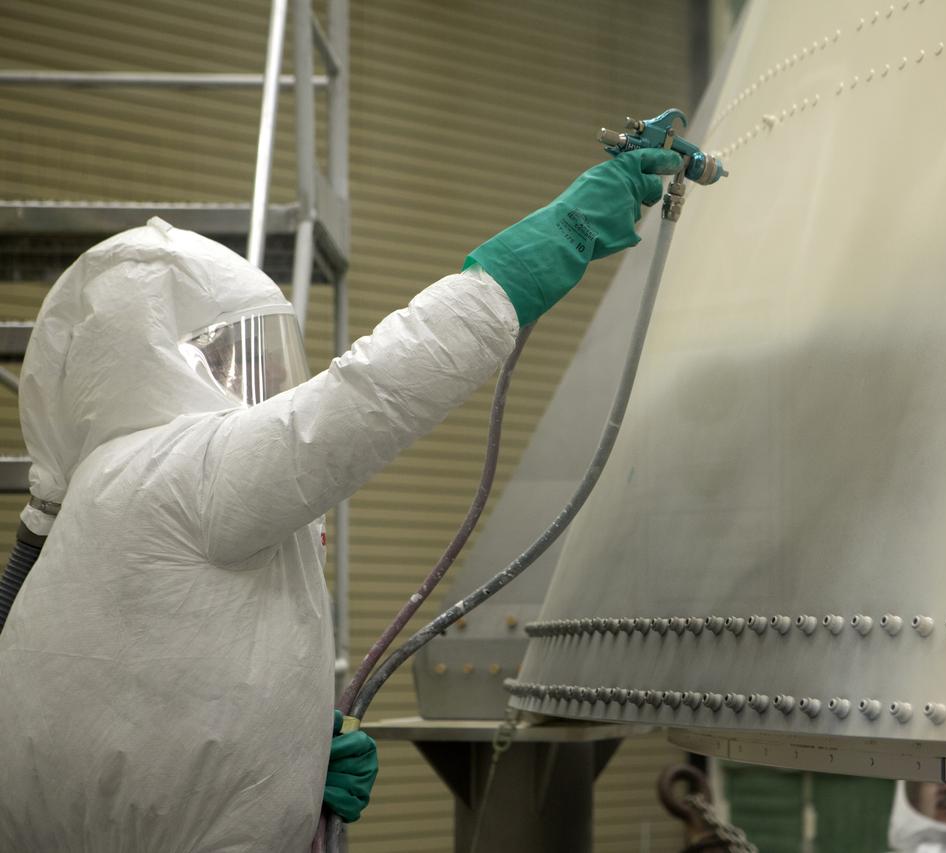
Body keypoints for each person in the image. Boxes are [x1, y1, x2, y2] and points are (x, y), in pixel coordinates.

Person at [0, 147, 683, 852]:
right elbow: (376, 387)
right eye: (228, 354)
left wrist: (285, 744)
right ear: (146, 362)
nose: (264, 374)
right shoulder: (178, 474)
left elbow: (145, 693)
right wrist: (547, 246)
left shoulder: (112, 491)